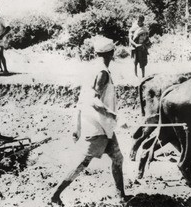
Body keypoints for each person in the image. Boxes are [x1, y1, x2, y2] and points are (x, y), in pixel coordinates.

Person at [51, 36, 130, 206]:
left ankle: (121, 196)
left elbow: (82, 98)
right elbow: (94, 101)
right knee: (82, 163)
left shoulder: (92, 69)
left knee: (117, 158)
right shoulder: (102, 73)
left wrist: (77, 125)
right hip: (97, 126)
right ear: (112, 53)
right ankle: (55, 195)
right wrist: (115, 116)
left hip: (102, 126)